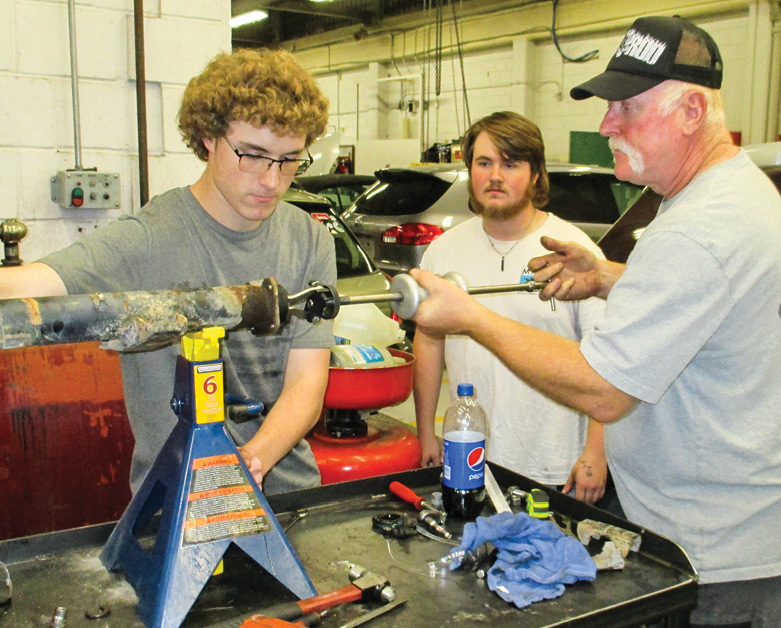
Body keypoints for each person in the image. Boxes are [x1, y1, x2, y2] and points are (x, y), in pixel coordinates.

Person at [408, 16, 781, 627]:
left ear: (691, 110)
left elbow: (603, 389)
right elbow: (708, 302)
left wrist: (471, 316)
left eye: (627, 109)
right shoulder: (732, 193)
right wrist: (609, 276)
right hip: (727, 528)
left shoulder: (698, 228)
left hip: (717, 555)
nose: (606, 125)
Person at [0, 48, 336, 496]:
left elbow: (307, 388)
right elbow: (28, 286)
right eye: (252, 156)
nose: (272, 181)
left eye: (290, 159)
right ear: (208, 137)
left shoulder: (310, 239)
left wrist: (250, 463)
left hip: (287, 492)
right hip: (176, 500)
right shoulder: (149, 237)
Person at [413, 111, 607, 504]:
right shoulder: (443, 251)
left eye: (510, 164)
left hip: (555, 465)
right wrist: (425, 432)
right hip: (468, 457)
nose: (495, 176)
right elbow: (429, 342)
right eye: (484, 163)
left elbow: (609, 361)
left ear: (536, 174)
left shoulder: (572, 252)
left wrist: (595, 453)